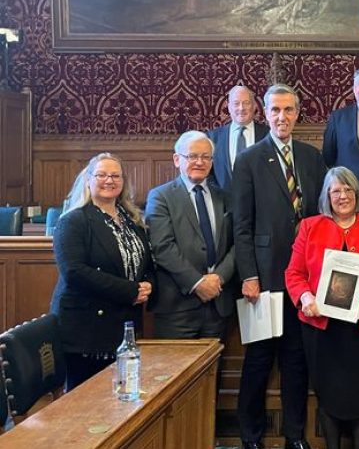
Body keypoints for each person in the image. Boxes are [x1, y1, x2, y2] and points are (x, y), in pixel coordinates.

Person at [233, 83, 328, 449]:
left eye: (288, 110)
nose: (282, 117)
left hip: (304, 278)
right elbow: (241, 224)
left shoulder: (310, 156)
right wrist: (249, 275)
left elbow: (321, 215)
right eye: (275, 110)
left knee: (296, 361)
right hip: (265, 277)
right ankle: (251, 437)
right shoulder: (249, 159)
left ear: (297, 113)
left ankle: (294, 437)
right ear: (264, 113)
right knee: (258, 361)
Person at [285, 166, 359, 449]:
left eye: (348, 189)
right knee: (328, 395)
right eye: (336, 190)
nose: (342, 196)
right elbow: (294, 274)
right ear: (327, 195)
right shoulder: (310, 227)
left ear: (357, 193)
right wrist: (305, 298)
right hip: (322, 329)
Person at [50, 153, 154, 390]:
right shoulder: (73, 221)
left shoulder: (132, 220)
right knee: (86, 403)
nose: (109, 180)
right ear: (88, 180)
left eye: (115, 175)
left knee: (118, 398)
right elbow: (74, 272)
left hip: (121, 325)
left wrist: (148, 283)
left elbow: (146, 263)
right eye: (102, 175)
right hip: (85, 331)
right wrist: (130, 291)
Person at [145, 131, 235, 339]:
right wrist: (197, 283)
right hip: (177, 306)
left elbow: (237, 243)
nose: (199, 162)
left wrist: (218, 277)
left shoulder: (224, 197)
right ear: (177, 159)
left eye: (205, 157)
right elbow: (162, 246)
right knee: (176, 371)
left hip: (217, 303)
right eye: (192, 156)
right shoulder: (160, 196)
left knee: (214, 371)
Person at [207, 84, 269, 190]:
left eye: (246, 103)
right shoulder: (213, 138)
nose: (241, 108)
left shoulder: (268, 136)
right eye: (236, 103)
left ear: (254, 106)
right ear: (229, 107)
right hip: (224, 204)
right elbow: (208, 174)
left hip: (260, 203)